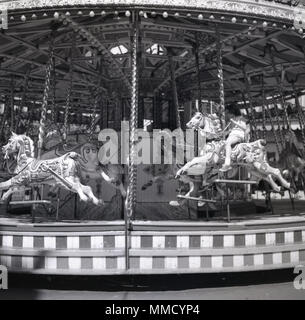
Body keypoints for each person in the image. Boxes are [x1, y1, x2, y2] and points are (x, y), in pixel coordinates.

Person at [220, 104, 250, 172]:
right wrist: (222, 133)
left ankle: (227, 163)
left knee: (228, 143)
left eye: (227, 113)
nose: (226, 115)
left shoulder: (241, 118)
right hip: (232, 135)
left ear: (232, 112)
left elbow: (244, 128)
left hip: (238, 135)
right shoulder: (231, 120)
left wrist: (234, 122)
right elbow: (230, 130)